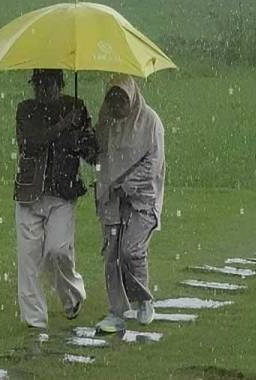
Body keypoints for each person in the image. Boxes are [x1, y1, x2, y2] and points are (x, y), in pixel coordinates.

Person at [13, 68, 96, 330]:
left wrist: (78, 133)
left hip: (63, 191)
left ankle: (71, 297)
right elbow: (31, 141)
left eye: (49, 84)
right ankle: (34, 322)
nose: (44, 89)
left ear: (60, 84)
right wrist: (62, 125)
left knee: (57, 251)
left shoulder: (76, 107)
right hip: (29, 192)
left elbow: (92, 152)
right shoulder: (25, 109)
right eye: (39, 84)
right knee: (28, 260)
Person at [87, 75, 166, 335]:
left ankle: (143, 299)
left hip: (142, 198)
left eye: (122, 98)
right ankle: (117, 311)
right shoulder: (106, 122)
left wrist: (128, 182)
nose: (117, 104)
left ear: (132, 97)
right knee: (112, 255)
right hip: (111, 197)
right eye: (112, 98)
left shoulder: (150, 122)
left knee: (131, 250)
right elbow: (96, 152)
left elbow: (153, 164)